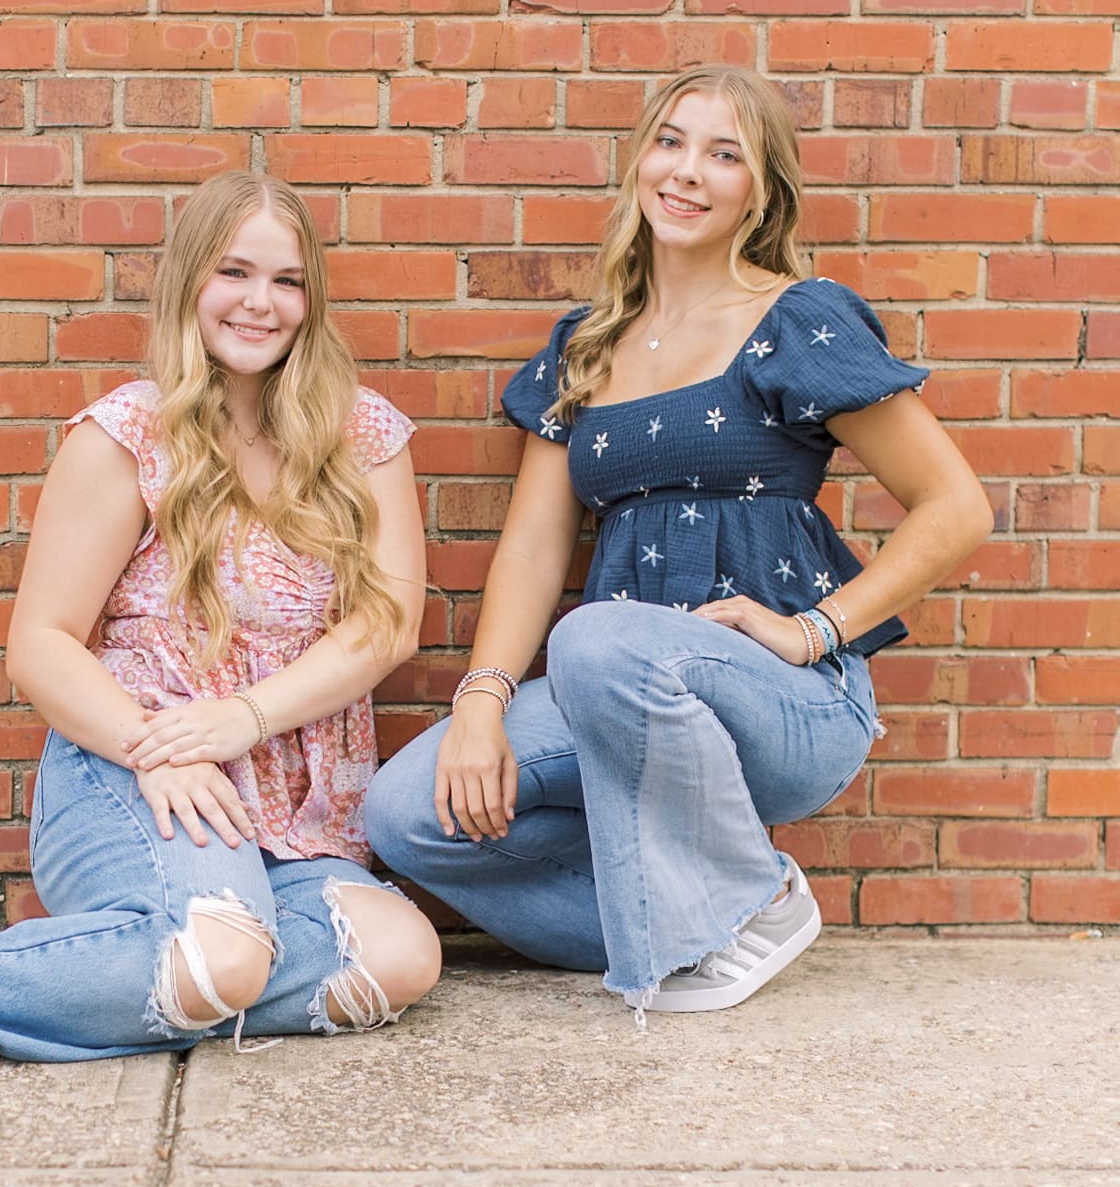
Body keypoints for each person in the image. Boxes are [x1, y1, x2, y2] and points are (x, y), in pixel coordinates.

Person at [0, 172, 440, 1075]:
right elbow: (41, 645)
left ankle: (49, 969)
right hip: (133, 770)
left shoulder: (361, 435)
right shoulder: (130, 434)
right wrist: (155, 746)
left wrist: (241, 719)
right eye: (234, 272)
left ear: (311, 299)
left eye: (287, 281)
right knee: (222, 956)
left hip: (292, 801)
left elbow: (389, 622)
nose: (260, 302)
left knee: (397, 959)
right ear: (188, 283)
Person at [366, 66, 993, 1022]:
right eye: (670, 141)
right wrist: (483, 704)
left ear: (761, 192)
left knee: (597, 635)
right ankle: (700, 923)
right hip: (612, 687)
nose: (687, 172)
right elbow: (533, 554)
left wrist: (815, 631)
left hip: (785, 701)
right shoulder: (586, 345)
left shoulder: (797, 320)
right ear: (639, 162)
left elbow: (956, 507)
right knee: (408, 815)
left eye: (724, 154)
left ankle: (754, 897)